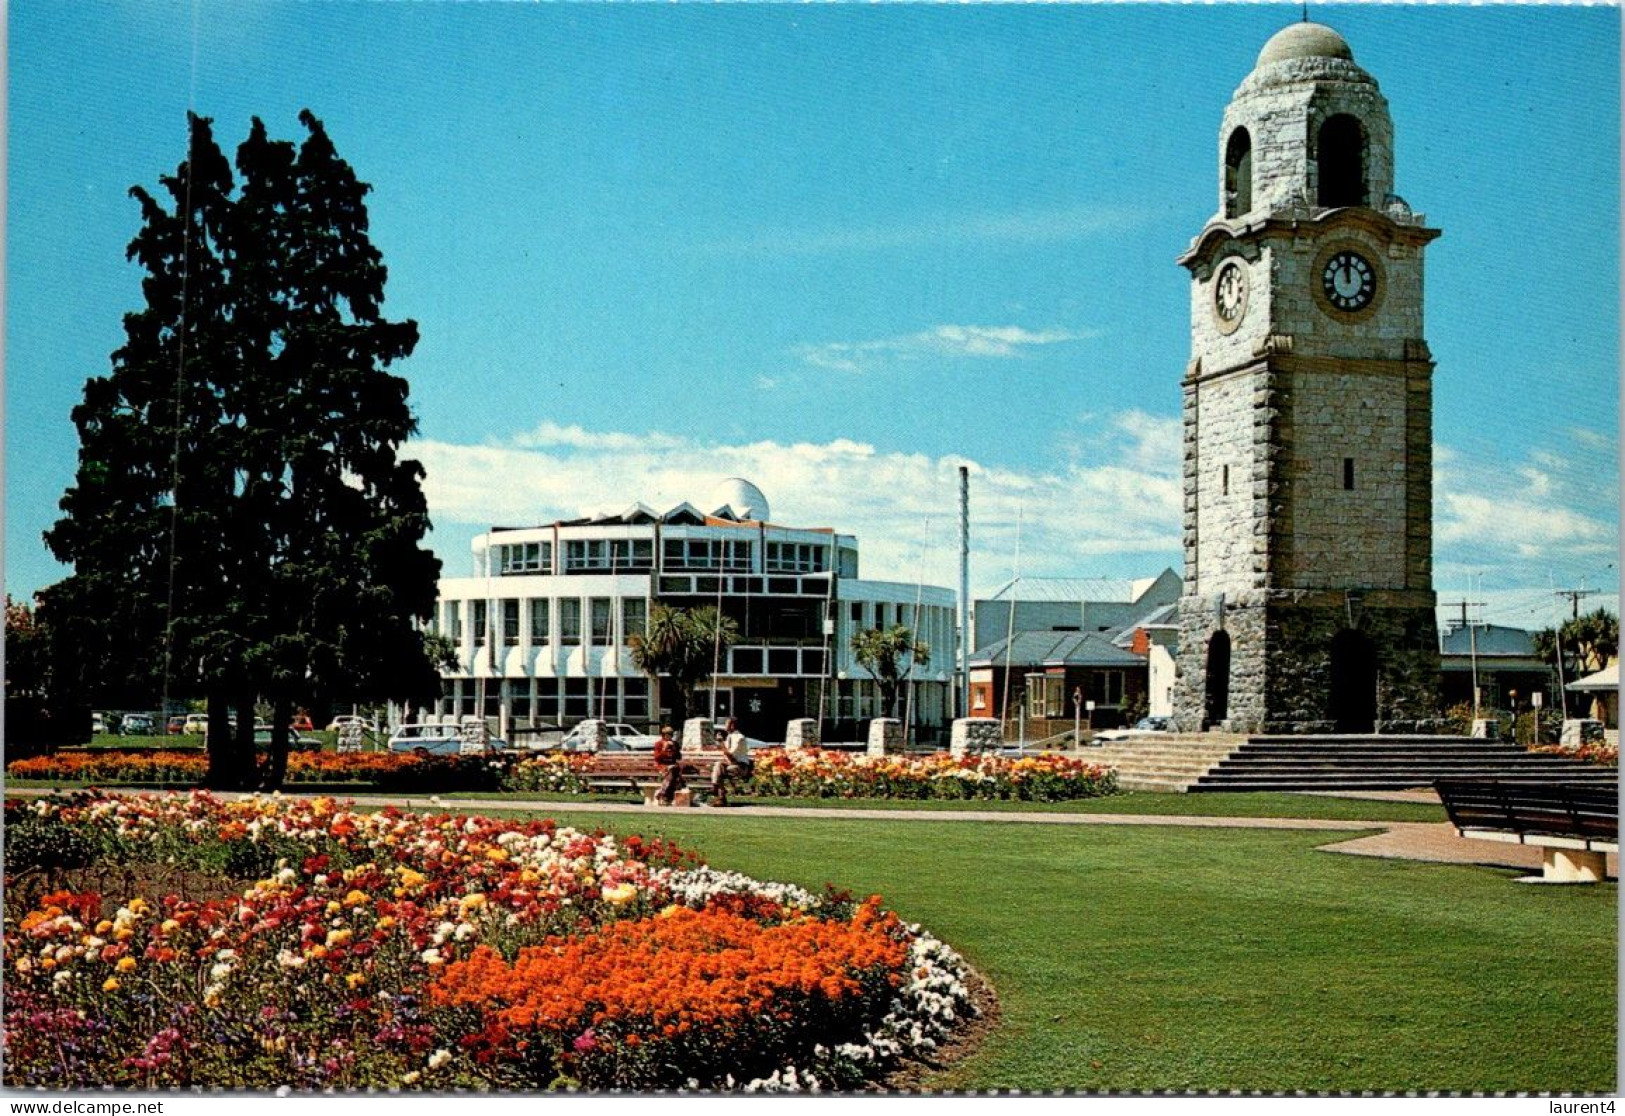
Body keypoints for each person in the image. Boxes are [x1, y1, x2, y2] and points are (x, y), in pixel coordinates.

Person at [709, 718, 753, 808]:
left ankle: (719, 793)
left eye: (726, 724)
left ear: (732, 725)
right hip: (731, 765)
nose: (724, 726)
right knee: (718, 766)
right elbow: (726, 756)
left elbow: (731, 757)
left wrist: (721, 743)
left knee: (719, 770)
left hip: (740, 767)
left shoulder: (739, 738)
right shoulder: (729, 737)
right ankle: (717, 790)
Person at [653, 725, 683, 806]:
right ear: (663, 735)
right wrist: (664, 748)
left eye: (670, 735)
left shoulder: (675, 744)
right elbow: (657, 758)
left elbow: (679, 757)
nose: (669, 736)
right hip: (662, 766)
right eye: (667, 735)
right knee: (672, 774)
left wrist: (674, 749)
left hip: (673, 767)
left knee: (673, 771)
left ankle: (662, 794)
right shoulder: (659, 744)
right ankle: (666, 796)